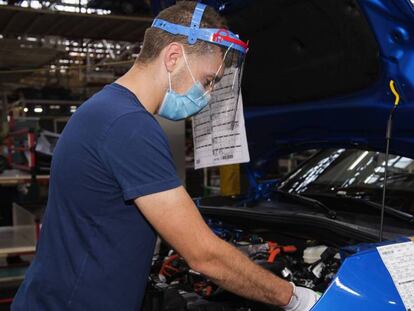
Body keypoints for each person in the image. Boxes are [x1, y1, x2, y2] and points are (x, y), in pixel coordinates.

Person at [12, 2, 319, 310]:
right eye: (208, 79)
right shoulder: (128, 125)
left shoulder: (106, 109)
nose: (208, 93)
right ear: (173, 57)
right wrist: (296, 298)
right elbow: (204, 255)